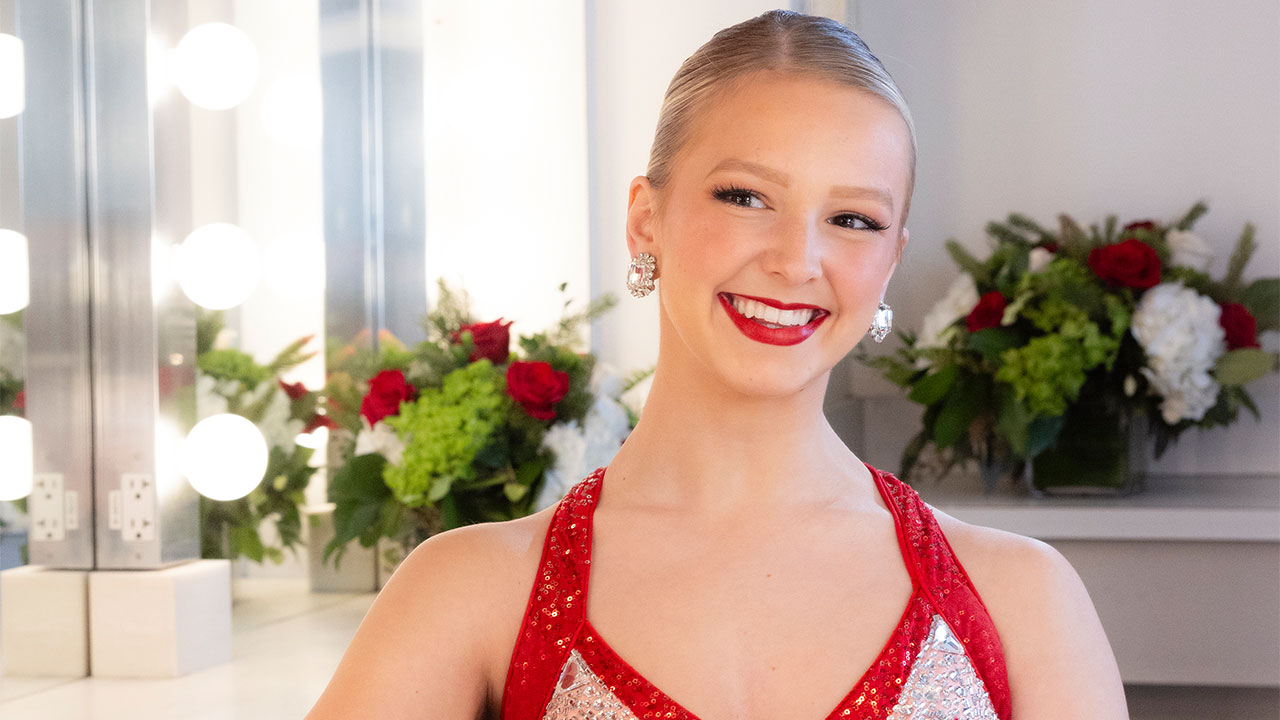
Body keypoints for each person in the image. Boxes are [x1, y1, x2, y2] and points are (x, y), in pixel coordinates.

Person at [307, 10, 1128, 719]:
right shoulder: (473, 592)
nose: (797, 259)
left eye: (852, 218)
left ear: (890, 260)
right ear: (645, 219)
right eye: (746, 197)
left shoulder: (1020, 601)